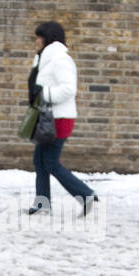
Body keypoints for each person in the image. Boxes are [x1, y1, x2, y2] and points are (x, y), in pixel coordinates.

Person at [27, 21, 98, 216]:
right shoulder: (44, 60)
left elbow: (68, 89)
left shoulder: (60, 60)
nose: (36, 40)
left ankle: (86, 194)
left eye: (39, 36)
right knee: (40, 161)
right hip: (47, 118)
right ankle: (43, 204)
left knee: (50, 162)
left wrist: (43, 93)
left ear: (48, 39)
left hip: (59, 119)